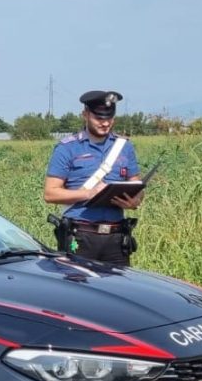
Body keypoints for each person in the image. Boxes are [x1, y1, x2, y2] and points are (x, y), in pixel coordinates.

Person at [43, 90, 143, 266]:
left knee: (119, 284)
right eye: (99, 118)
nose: (105, 123)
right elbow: (50, 194)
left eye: (109, 118)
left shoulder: (124, 147)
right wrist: (89, 193)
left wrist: (135, 201)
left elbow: (136, 183)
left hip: (116, 237)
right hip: (80, 236)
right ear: (85, 115)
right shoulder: (67, 148)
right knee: (78, 284)